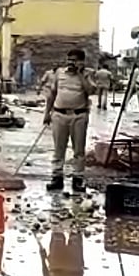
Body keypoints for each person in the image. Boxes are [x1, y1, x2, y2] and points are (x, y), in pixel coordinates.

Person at [43, 49, 96, 192]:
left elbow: (91, 91)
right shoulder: (59, 73)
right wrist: (47, 113)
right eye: (69, 59)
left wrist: (80, 74)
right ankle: (57, 177)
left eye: (74, 60)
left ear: (81, 61)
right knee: (58, 148)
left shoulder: (87, 74)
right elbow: (52, 94)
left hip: (79, 115)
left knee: (78, 149)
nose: (71, 63)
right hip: (59, 114)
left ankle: (78, 179)